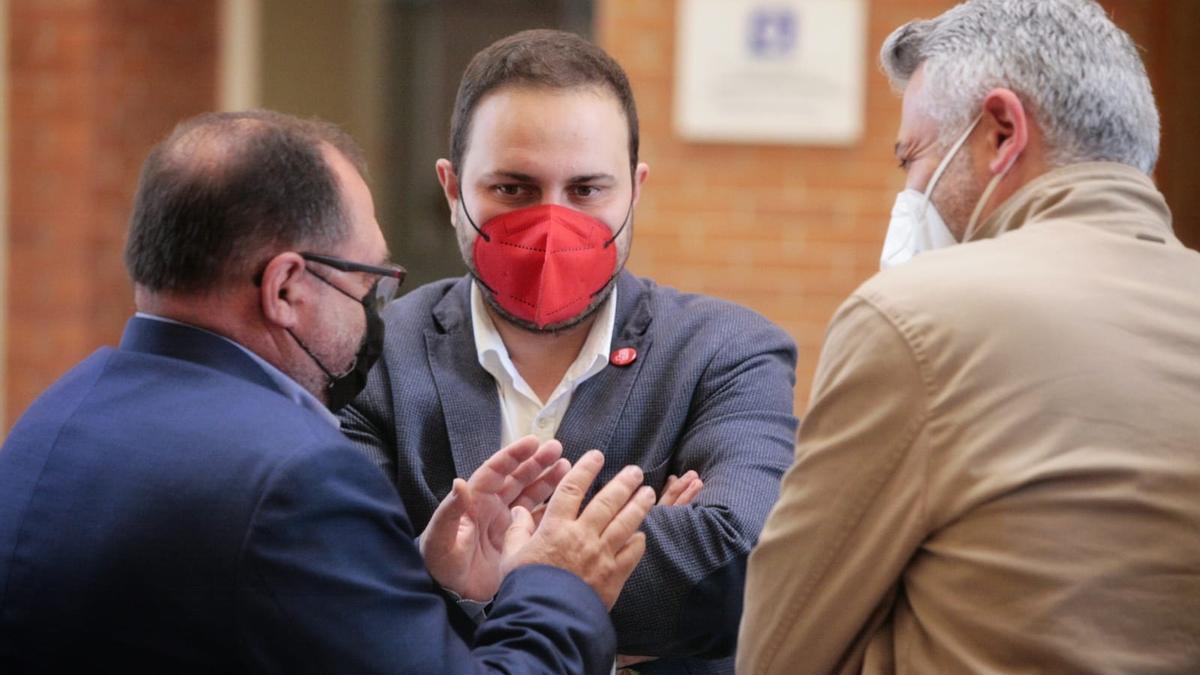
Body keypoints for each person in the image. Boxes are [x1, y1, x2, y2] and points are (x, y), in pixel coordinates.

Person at [0, 109, 657, 674]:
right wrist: (555, 584)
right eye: (369, 280)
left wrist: (415, 576)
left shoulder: (55, 411)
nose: (379, 306)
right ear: (285, 288)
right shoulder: (298, 477)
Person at [738, 1, 1200, 673]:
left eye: (913, 159)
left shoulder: (912, 321)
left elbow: (778, 654)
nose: (912, 191)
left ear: (1002, 130)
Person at [339, 29, 798, 674]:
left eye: (586, 191)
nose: (552, 224)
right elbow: (341, 586)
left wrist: (470, 579)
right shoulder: (375, 350)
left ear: (635, 190)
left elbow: (747, 567)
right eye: (513, 189)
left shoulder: (728, 352)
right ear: (452, 190)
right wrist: (598, 563)